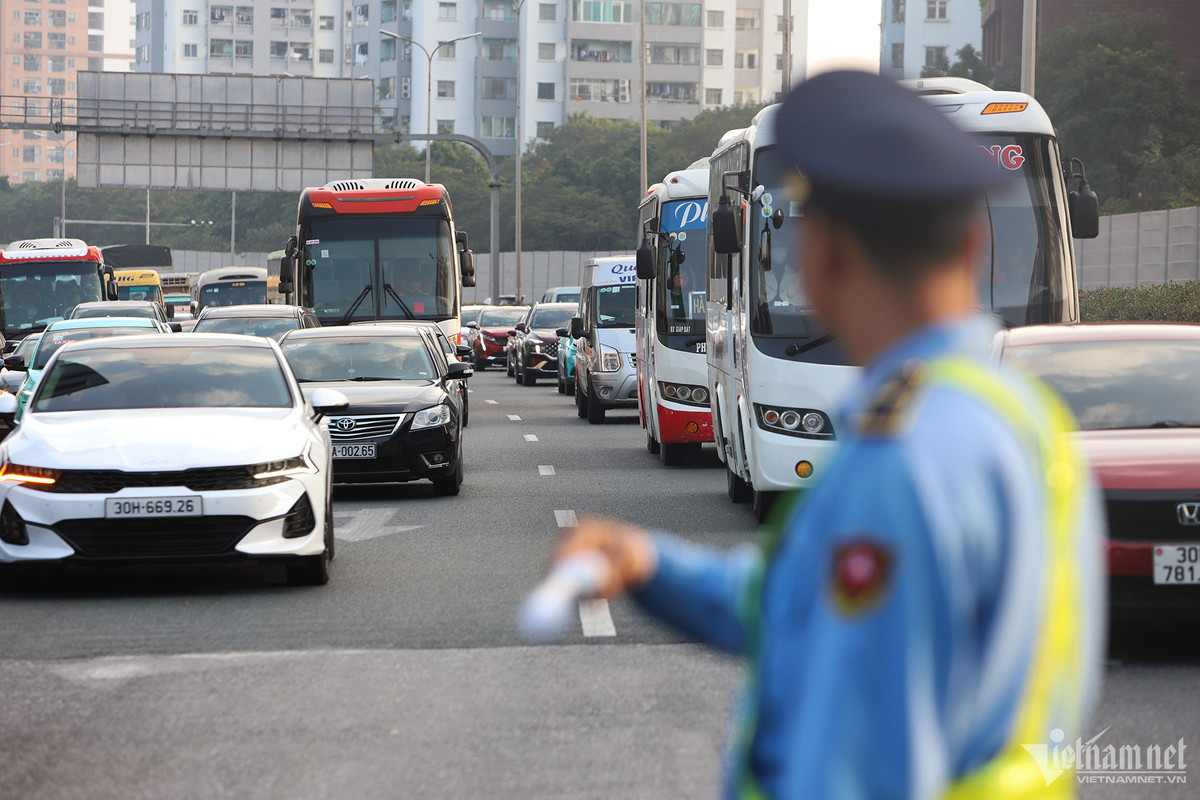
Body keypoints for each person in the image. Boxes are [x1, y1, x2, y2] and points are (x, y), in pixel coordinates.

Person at [544, 70, 1104, 799]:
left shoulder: (900, 462)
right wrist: (656, 569)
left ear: (820, 255)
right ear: (970, 244)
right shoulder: (1025, 420)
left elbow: (858, 762)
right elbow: (813, 598)